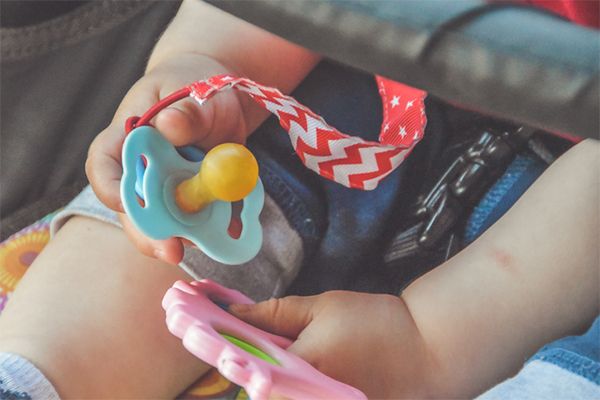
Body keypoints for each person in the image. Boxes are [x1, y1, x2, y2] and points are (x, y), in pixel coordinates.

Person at [0, 1, 597, 399]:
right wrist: (213, 62)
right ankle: (30, 375)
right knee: (194, 178)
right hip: (377, 83)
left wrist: (433, 343)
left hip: (575, 224)